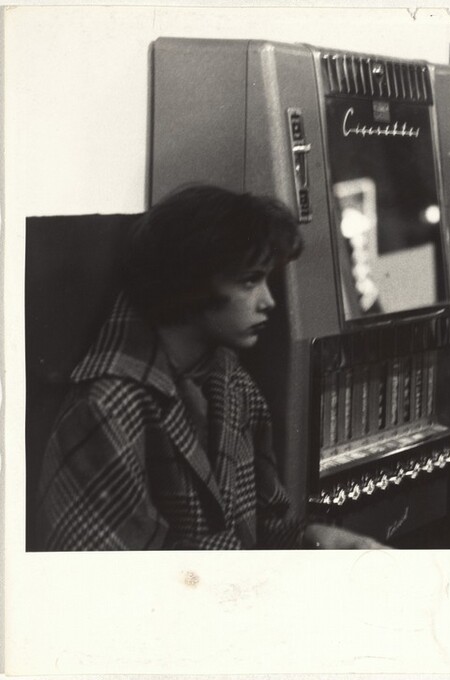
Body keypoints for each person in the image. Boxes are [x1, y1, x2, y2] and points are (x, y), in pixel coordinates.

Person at [34, 184, 385, 550]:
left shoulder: (231, 382)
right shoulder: (107, 407)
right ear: (190, 281)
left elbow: (258, 525)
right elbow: (101, 587)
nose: (268, 301)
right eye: (250, 280)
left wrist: (313, 538)